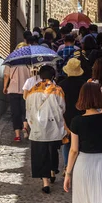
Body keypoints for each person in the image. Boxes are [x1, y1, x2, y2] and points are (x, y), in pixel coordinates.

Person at [26, 65, 66, 193]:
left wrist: (30, 123)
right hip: (53, 126)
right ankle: (53, 171)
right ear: (53, 76)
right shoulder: (58, 90)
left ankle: (45, 182)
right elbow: (62, 108)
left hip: (38, 126)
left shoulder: (32, 90)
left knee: (41, 153)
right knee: (52, 150)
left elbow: (28, 107)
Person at [58, 58, 87, 173]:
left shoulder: (61, 85)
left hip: (66, 116)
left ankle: (66, 166)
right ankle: (78, 167)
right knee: (79, 143)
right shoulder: (84, 85)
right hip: (81, 115)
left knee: (67, 142)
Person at [3, 62, 30, 141]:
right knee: (26, 110)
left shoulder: (10, 63)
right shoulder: (28, 62)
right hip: (26, 90)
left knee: (15, 112)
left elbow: (6, 75)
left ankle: (17, 135)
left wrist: (5, 87)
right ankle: (25, 127)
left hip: (13, 90)